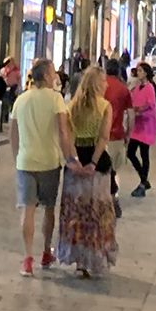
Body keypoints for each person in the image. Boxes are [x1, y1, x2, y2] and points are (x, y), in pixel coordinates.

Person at [10, 58, 82, 275]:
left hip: (25, 161)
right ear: (46, 76)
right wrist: (70, 157)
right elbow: (63, 131)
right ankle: (45, 252)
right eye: (53, 73)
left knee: (27, 210)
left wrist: (17, 158)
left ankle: (27, 258)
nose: (56, 77)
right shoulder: (56, 99)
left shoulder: (21, 100)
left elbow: (14, 133)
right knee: (49, 209)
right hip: (49, 162)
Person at [58, 67, 118, 276]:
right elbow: (103, 138)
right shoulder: (104, 107)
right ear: (95, 84)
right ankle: (97, 257)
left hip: (75, 165)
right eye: (103, 81)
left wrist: (74, 160)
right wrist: (92, 163)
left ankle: (79, 259)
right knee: (98, 213)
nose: (106, 84)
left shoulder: (70, 107)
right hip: (97, 164)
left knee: (76, 213)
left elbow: (68, 136)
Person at [102, 58, 133, 218]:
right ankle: (114, 198)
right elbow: (131, 114)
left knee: (101, 171)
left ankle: (103, 201)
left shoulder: (100, 86)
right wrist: (129, 134)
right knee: (115, 170)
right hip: (117, 135)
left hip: (100, 134)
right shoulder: (123, 89)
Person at [127, 62, 156, 197]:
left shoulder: (149, 88)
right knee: (131, 153)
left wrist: (140, 111)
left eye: (140, 71)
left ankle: (143, 182)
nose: (138, 73)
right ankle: (144, 180)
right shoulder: (137, 87)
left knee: (144, 154)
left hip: (146, 125)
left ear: (145, 73)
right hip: (137, 125)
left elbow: (151, 105)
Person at [0, 56, 21, 128]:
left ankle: (11, 118)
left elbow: (18, 80)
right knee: (5, 103)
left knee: (12, 104)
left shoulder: (16, 71)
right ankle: (4, 118)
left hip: (13, 88)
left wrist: (18, 89)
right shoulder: (3, 70)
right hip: (5, 88)